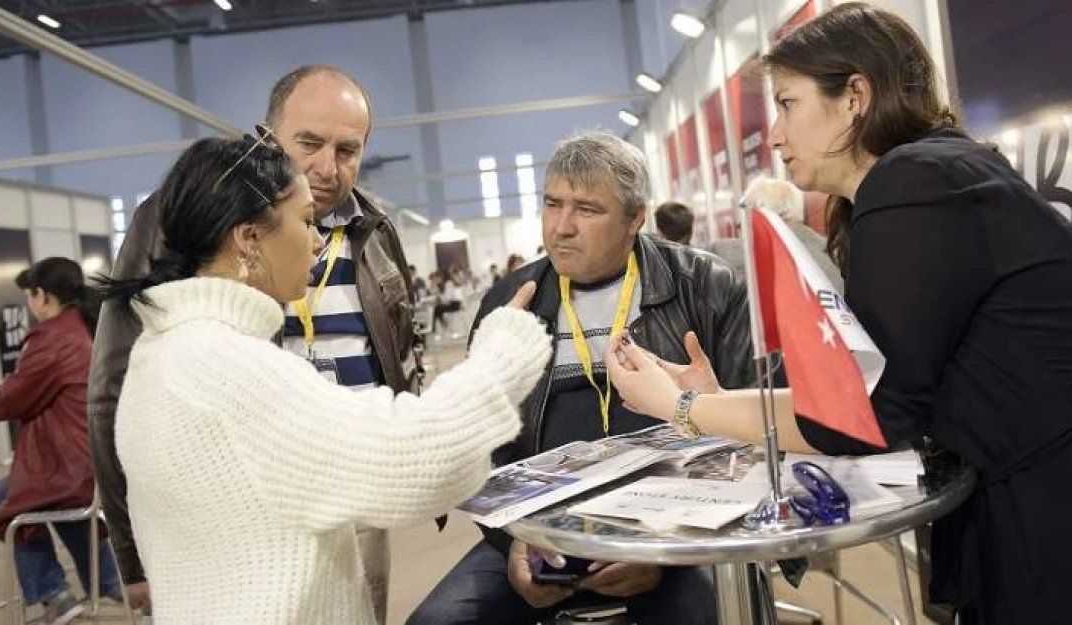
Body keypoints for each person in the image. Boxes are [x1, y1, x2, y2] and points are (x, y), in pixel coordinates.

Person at [603, 4, 1072, 624]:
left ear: (855, 96)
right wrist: (719, 399)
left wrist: (680, 408)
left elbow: (859, 423)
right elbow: (856, 400)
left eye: (788, 103)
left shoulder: (915, 183)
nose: (773, 134)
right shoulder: (923, 176)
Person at [94, 135, 550, 624]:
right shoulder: (227, 368)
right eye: (306, 221)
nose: (316, 240)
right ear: (249, 238)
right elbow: (418, 461)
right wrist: (501, 354)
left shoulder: (161, 349)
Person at [88, 65, 416, 618]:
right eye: (308, 143)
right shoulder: (178, 218)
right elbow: (112, 388)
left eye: (348, 149)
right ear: (267, 137)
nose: (326, 168)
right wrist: (131, 553)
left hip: (355, 491)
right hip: (232, 514)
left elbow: (398, 349)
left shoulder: (375, 230)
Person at [408, 131, 756, 625]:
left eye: (587, 210)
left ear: (635, 217)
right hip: (542, 535)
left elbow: (751, 435)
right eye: (552, 204)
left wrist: (666, 544)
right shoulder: (510, 301)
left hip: (677, 531)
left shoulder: (705, 287)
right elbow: (487, 445)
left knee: (710, 614)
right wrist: (513, 542)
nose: (562, 227)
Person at [0, 258, 121, 624]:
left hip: (67, 464)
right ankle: (112, 581)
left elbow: (9, 401)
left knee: (10, 497)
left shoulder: (51, 338)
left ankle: (55, 594)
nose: (29, 306)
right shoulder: (82, 328)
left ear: (42, 296)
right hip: (88, 459)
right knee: (38, 499)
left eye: (29, 297)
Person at [708, 176, 843, 291]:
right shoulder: (835, 253)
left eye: (742, 226)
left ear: (757, 219)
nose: (740, 234)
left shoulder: (728, 254)